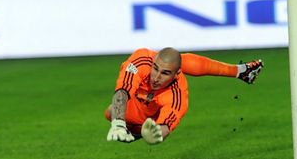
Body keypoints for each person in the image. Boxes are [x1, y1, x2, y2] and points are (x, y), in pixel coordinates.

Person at [105, 47, 263, 145]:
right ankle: (239, 71)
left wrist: (154, 136)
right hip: (126, 112)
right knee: (112, 110)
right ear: (153, 62)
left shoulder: (177, 93)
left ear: (176, 75)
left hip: (144, 123)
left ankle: (239, 71)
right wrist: (118, 123)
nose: (156, 77)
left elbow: (166, 125)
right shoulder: (141, 61)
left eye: (165, 73)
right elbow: (122, 91)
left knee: (180, 61)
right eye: (155, 69)